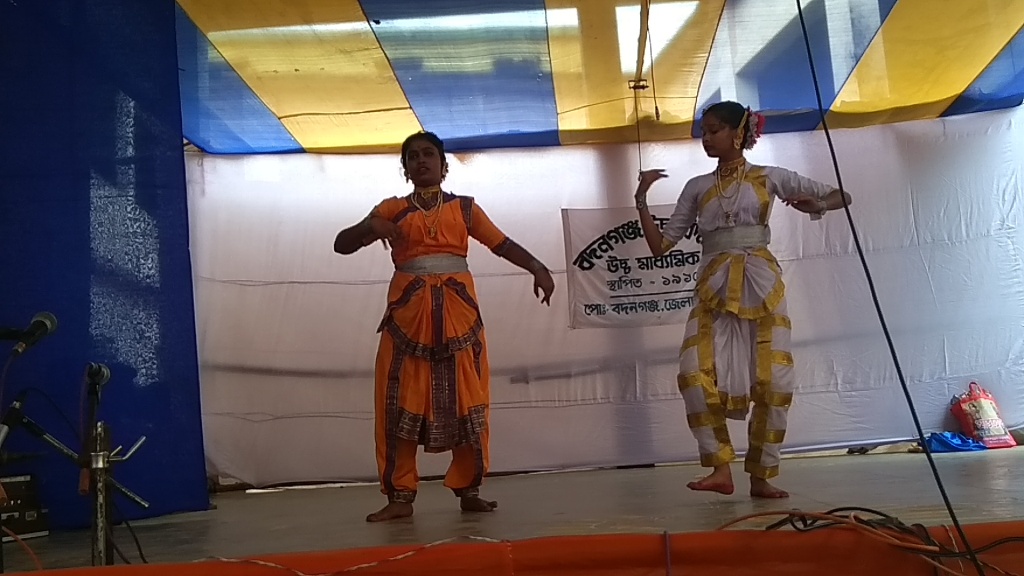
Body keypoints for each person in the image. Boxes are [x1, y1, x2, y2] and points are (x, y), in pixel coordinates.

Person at [633, 101, 852, 499]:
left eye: (714, 130)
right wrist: (642, 200)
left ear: (739, 133)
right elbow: (661, 246)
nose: (706, 138)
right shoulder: (697, 186)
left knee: (773, 380)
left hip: (762, 285)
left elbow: (842, 196)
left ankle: (761, 476)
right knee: (694, 374)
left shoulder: (770, 177)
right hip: (714, 289)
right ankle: (720, 468)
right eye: (704, 131)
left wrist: (817, 205)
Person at [334, 131, 556, 522]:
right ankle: (400, 496)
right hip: (407, 321)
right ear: (405, 169)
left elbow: (501, 244)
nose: (421, 161)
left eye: (428, 154)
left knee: (469, 400)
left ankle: (470, 489)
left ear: (443, 165)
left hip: (459, 319)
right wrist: (371, 225)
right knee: (398, 402)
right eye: (413, 156)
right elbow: (342, 244)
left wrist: (537, 267)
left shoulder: (465, 209)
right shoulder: (390, 209)